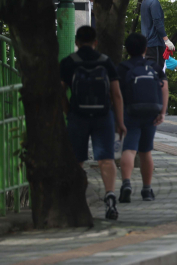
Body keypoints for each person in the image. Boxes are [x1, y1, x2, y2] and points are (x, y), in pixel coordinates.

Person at [59, 26, 126, 220]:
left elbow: (60, 91)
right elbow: (116, 95)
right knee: (106, 159)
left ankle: (76, 201)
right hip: (103, 116)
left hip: (77, 116)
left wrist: (68, 111)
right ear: (95, 42)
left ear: (77, 42)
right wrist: (120, 122)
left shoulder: (68, 63)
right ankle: (110, 196)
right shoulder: (105, 62)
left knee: (77, 161)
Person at [116, 33, 169, 203]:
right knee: (146, 152)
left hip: (130, 113)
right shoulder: (154, 67)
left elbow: (116, 94)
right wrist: (162, 112)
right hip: (151, 113)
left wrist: (118, 117)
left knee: (129, 149)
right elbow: (164, 89)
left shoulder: (122, 68)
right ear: (145, 49)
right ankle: (147, 190)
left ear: (127, 49)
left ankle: (126, 184)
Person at [140, 0, 174, 69]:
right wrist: (166, 40)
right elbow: (158, 22)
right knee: (156, 72)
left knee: (148, 72)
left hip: (146, 44)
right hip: (155, 45)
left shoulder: (144, 2)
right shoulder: (154, 2)